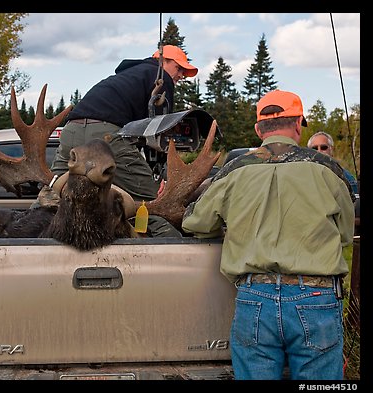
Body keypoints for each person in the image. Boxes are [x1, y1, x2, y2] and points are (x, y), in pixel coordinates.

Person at [181, 90, 355, 380]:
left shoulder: (234, 170)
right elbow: (345, 235)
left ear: (258, 129)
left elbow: (195, 223)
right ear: (299, 124)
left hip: (255, 297)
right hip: (315, 297)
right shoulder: (328, 170)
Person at [50, 45, 198, 237]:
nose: (180, 75)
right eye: (179, 68)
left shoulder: (129, 76)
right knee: (153, 203)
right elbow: (159, 131)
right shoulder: (161, 77)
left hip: (71, 130)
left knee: (51, 194)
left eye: (184, 72)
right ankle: (170, 249)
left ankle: (28, 236)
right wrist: (164, 176)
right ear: (163, 61)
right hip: (105, 135)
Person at [307, 131, 359, 195]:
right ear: (308, 151)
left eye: (323, 147)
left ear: (331, 150)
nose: (319, 151)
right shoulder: (304, 176)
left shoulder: (347, 177)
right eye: (315, 148)